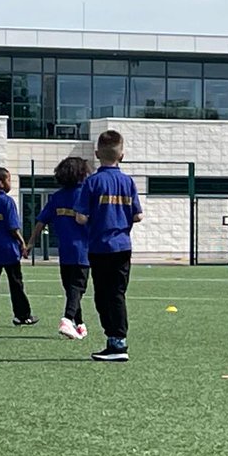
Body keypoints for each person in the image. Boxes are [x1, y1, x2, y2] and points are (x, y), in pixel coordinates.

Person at [74, 129, 143, 361]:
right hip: (123, 246)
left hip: (100, 247)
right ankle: (117, 341)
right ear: (121, 155)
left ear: (96, 153)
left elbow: (81, 217)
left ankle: (116, 344)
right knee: (118, 294)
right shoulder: (128, 182)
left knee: (104, 296)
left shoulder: (92, 182)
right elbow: (138, 216)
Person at [27, 155, 92, 340]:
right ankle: (67, 319)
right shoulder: (85, 195)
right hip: (83, 251)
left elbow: (40, 222)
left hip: (64, 252)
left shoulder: (56, 197)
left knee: (71, 288)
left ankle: (79, 324)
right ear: (82, 174)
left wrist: (31, 242)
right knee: (78, 288)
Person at [0, 167, 37, 328]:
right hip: (9, 250)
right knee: (16, 283)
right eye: (9, 180)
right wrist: (22, 243)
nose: (10, 183)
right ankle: (22, 315)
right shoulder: (7, 201)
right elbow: (13, 227)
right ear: (1, 183)